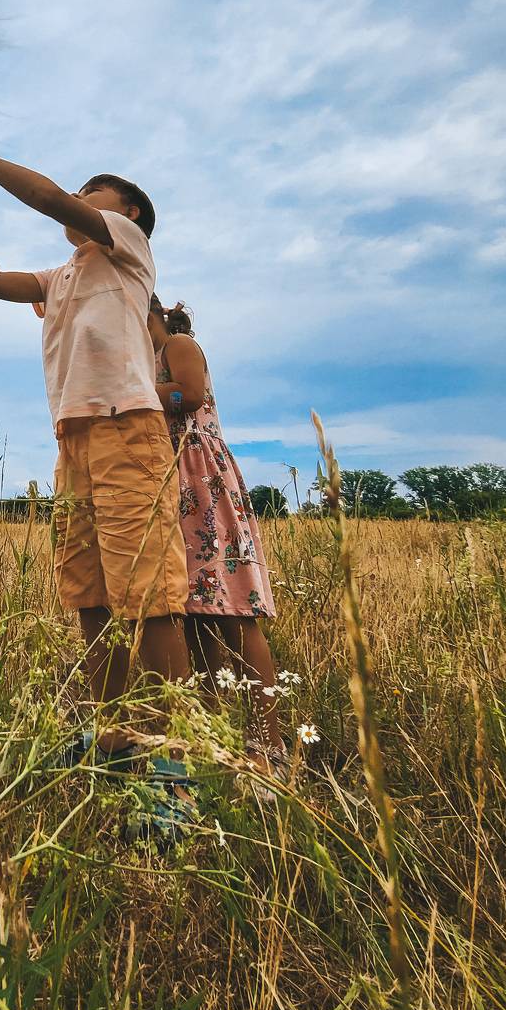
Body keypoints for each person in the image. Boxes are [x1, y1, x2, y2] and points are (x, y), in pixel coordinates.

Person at [0, 152, 195, 839]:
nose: (82, 198)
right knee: (88, 594)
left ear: (130, 212)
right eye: (83, 191)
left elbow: (52, 199)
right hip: (74, 437)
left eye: (97, 192)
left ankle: (172, 765)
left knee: (149, 597)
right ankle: (113, 739)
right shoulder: (59, 277)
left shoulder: (127, 249)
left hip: (128, 429)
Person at [148, 296, 287, 777]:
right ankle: (215, 736)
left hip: (202, 481)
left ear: (147, 312)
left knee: (236, 614)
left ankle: (269, 746)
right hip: (172, 485)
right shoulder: (146, 360)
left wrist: (135, 390)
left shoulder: (177, 345)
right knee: (195, 616)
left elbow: (189, 394)